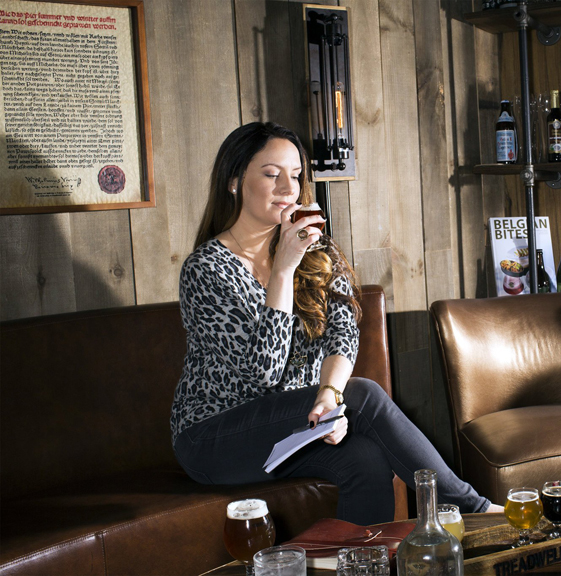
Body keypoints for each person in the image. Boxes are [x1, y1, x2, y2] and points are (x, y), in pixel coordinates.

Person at [171, 122, 502, 524]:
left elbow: (343, 333)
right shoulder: (206, 269)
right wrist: (282, 270)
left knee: (366, 459)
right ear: (234, 181)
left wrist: (328, 397)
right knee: (362, 393)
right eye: (271, 174)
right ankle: (476, 511)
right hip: (215, 436)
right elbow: (263, 373)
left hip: (294, 426)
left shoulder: (316, 250)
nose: (288, 188)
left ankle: (366, 557)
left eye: (296, 176)